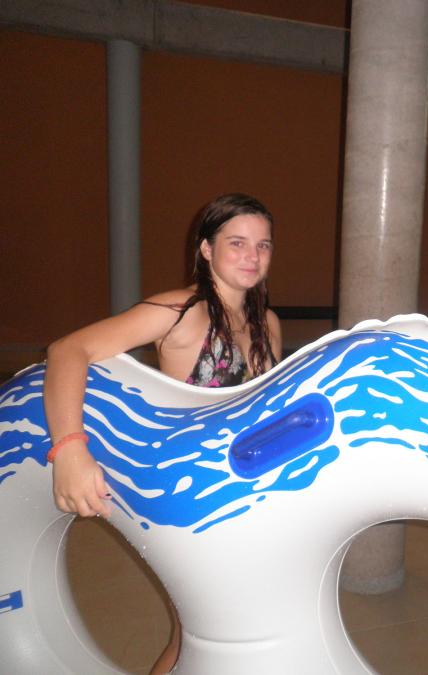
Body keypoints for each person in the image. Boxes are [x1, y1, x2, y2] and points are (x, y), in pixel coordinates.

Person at [43, 192, 283, 674]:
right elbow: (68, 350)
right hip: (192, 494)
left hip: (244, 490)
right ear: (206, 249)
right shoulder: (181, 309)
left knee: (222, 629)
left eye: (263, 245)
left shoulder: (267, 323)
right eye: (237, 243)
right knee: (199, 633)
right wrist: (70, 450)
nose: (253, 256)